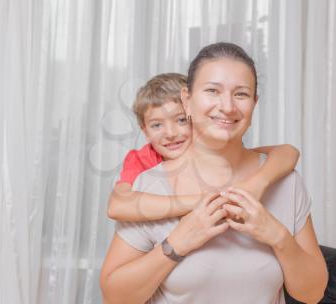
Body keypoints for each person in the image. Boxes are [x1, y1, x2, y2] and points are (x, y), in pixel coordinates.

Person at [101, 43, 328, 304]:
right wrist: (176, 244)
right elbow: (114, 297)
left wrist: (276, 235)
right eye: (212, 91)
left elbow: (311, 294)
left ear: (254, 104)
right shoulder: (150, 184)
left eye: (241, 94)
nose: (228, 107)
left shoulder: (285, 182)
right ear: (187, 100)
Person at [107, 73, 299, 222]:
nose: (171, 133)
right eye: (157, 125)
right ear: (145, 131)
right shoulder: (141, 158)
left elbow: (288, 152)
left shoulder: (217, 149)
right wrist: (207, 201)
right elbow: (117, 206)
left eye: (181, 120)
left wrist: (257, 184)